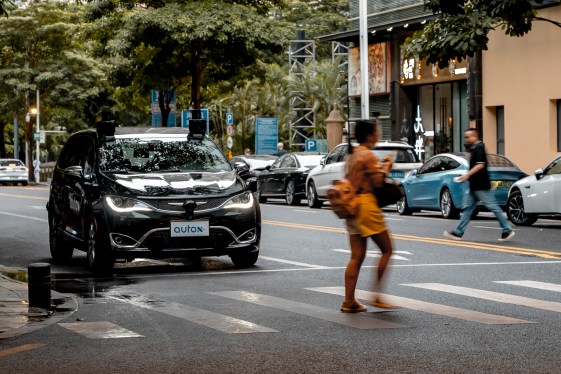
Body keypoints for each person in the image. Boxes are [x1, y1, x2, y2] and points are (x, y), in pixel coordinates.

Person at [341, 119, 395, 313]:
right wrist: (387, 168)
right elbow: (378, 182)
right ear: (371, 135)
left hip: (351, 206)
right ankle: (377, 296)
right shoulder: (368, 155)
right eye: (377, 132)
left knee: (356, 256)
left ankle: (349, 301)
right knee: (387, 249)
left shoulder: (352, 156)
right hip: (366, 206)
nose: (378, 136)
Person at [444, 128, 515, 242]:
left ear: (474, 137)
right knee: (468, 210)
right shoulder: (474, 149)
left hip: (481, 186)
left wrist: (467, 175)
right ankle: (458, 232)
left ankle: (507, 229)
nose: (466, 139)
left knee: (493, 207)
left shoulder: (479, 147)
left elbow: (480, 165)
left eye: (468, 137)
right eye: (465, 137)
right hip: (475, 186)